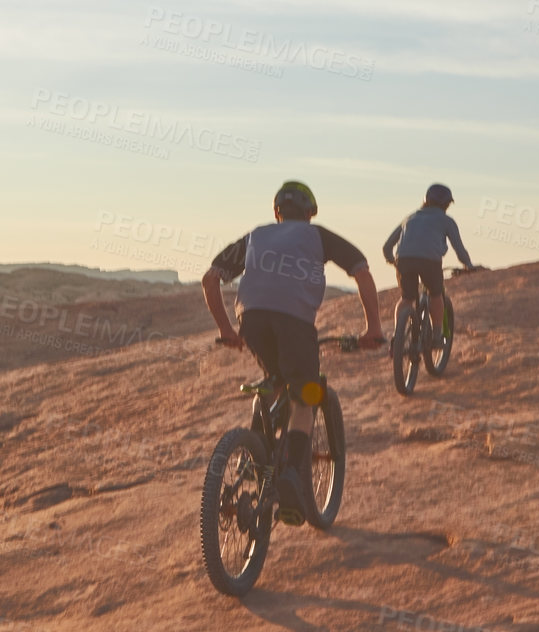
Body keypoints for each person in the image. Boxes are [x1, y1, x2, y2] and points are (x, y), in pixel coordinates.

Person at [202, 181, 384, 526]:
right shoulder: (319, 237)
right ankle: (290, 475)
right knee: (307, 395)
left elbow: (211, 278)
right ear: (310, 214)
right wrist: (373, 329)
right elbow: (362, 271)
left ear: (276, 213)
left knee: (276, 378)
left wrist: (226, 330)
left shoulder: (256, 235)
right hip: (295, 324)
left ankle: (254, 454)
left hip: (251, 321)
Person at [382, 183, 475, 338]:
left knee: (406, 298)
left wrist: (392, 260)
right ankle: (437, 334)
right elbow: (459, 248)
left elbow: (386, 247)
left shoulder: (409, 218)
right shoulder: (446, 221)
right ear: (446, 204)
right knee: (436, 294)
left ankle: (397, 335)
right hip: (430, 262)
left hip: (404, 260)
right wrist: (468, 265)